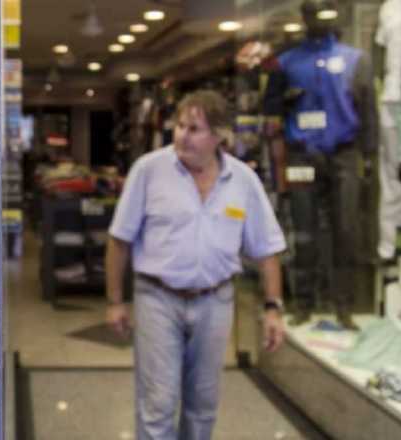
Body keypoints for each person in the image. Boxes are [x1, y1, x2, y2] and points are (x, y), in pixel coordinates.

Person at [105, 90, 288, 440]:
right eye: (179, 126)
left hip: (215, 302)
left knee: (202, 405)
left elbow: (267, 249)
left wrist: (272, 308)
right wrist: (115, 302)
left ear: (219, 136)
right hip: (158, 298)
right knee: (158, 404)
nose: (181, 136)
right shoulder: (149, 170)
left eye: (194, 129)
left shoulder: (243, 181)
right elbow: (118, 241)